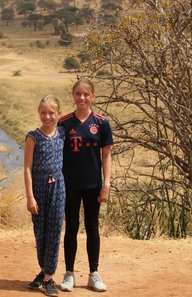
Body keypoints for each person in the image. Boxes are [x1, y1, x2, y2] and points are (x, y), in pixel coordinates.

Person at [58, 78, 114, 293]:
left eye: (86, 94)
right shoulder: (64, 123)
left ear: (93, 96)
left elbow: (107, 156)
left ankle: (94, 274)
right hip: (70, 184)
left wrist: (106, 184)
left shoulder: (101, 122)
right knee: (71, 227)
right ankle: (69, 273)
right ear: (73, 96)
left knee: (92, 227)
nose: (82, 98)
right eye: (78, 94)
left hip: (93, 184)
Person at [24, 95, 66, 297]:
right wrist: (30, 197)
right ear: (38, 113)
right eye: (43, 112)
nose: (47, 116)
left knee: (55, 229)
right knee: (40, 230)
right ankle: (44, 270)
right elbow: (27, 168)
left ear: (58, 113)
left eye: (51, 113)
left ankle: (48, 276)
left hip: (58, 186)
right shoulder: (33, 137)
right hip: (39, 188)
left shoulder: (62, 134)